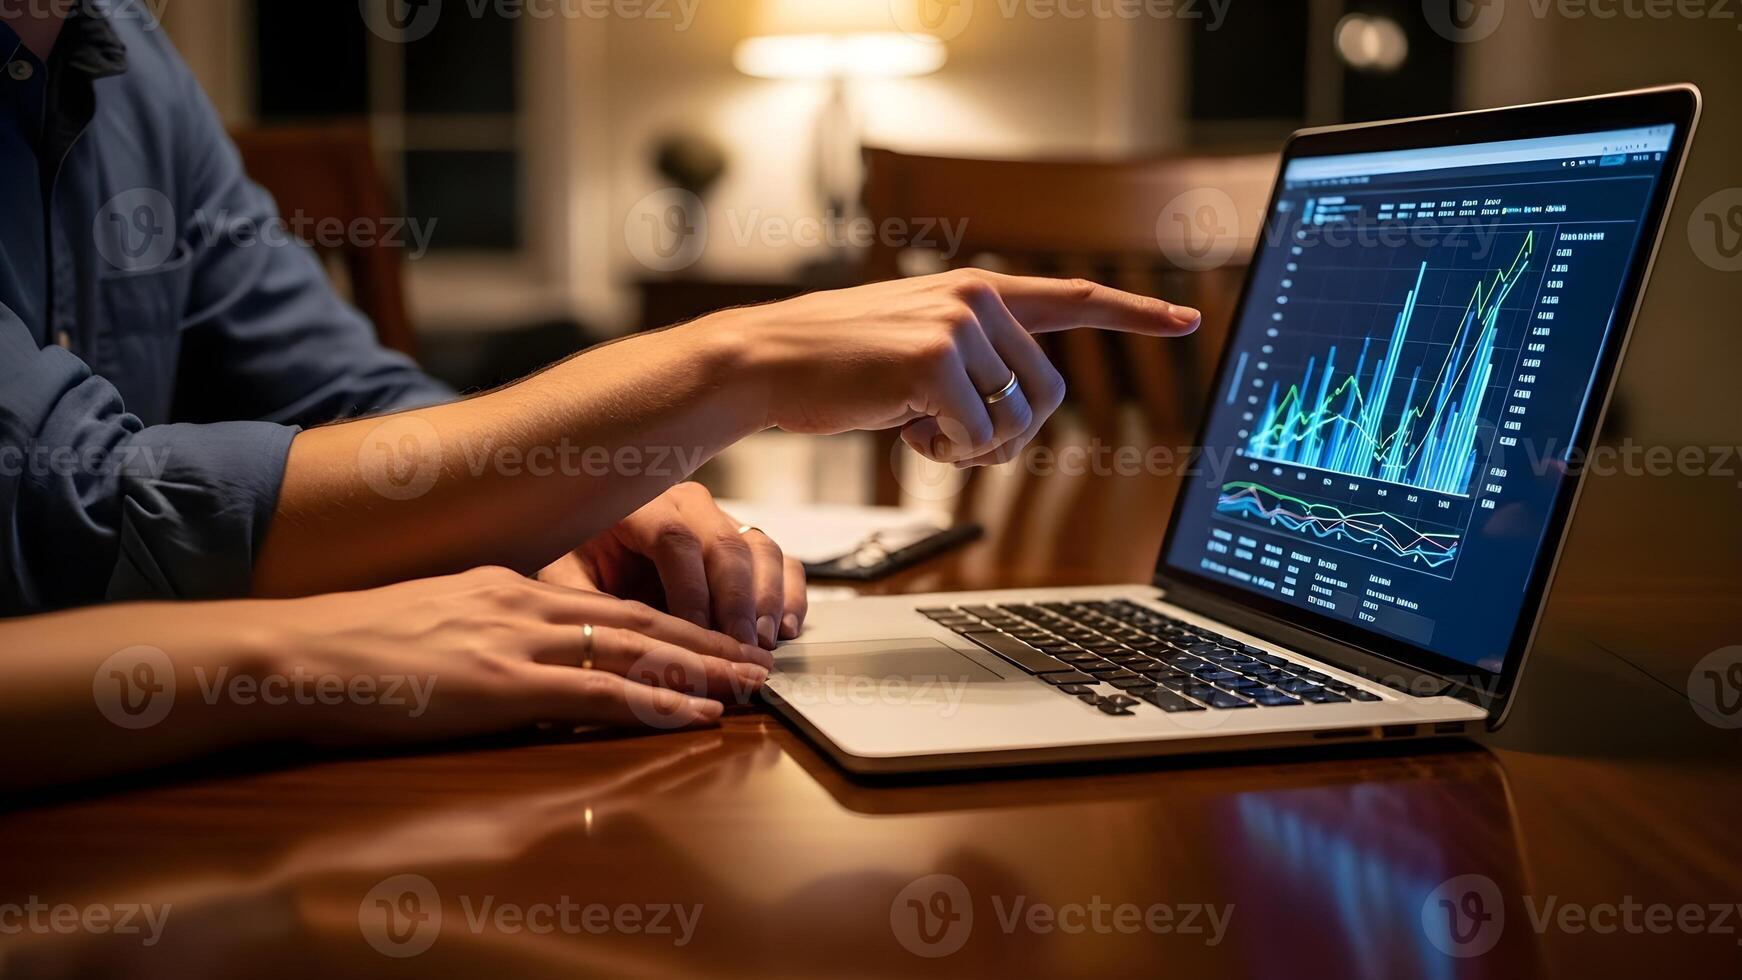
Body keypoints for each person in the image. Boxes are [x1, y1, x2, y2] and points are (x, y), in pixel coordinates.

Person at [0, 1, 1200, 775]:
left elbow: (349, 388)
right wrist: (725, 365)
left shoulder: (134, 56)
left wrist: (584, 479)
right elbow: (81, 512)